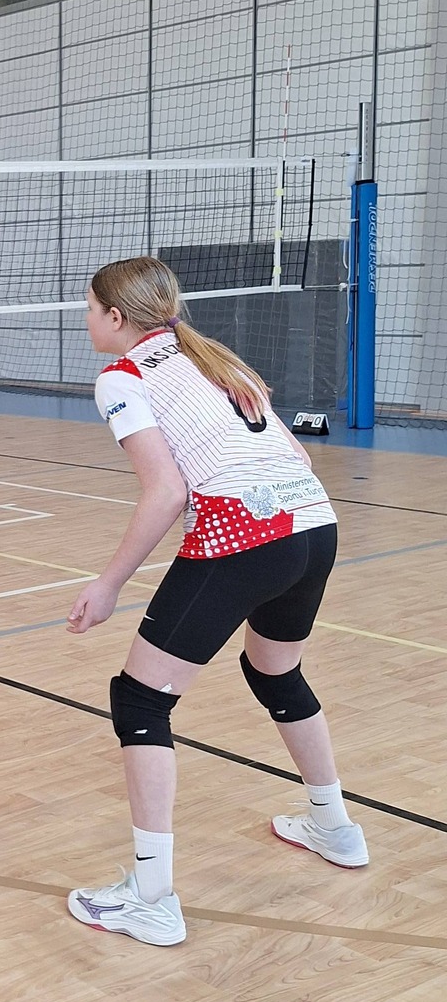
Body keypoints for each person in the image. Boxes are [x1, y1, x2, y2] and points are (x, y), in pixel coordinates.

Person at [64, 256, 364, 949]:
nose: (85, 320)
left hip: (245, 535)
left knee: (140, 701)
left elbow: (167, 492)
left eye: (89, 308)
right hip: (313, 524)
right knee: (274, 671)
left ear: (116, 316)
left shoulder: (123, 376)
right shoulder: (215, 357)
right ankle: (334, 827)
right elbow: (300, 458)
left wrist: (109, 584)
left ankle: (150, 900)